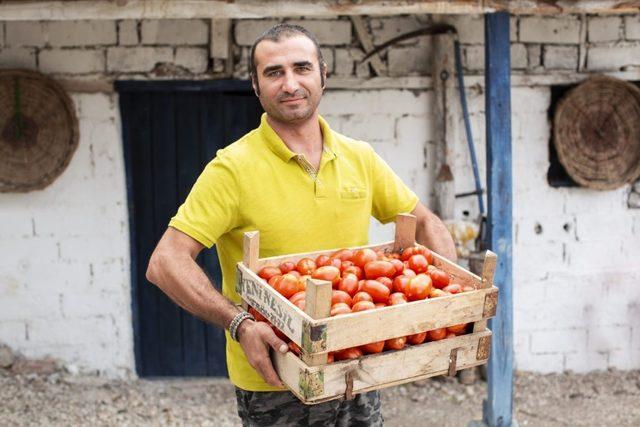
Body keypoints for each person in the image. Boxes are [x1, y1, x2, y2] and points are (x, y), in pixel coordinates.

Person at [146, 23, 456, 427]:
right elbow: (165, 262)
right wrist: (239, 323)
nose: (290, 84)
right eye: (274, 73)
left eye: (301, 68)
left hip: (355, 368)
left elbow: (427, 222)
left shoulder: (359, 157)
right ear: (256, 87)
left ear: (323, 74)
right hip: (277, 380)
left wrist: (447, 302)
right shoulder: (232, 169)